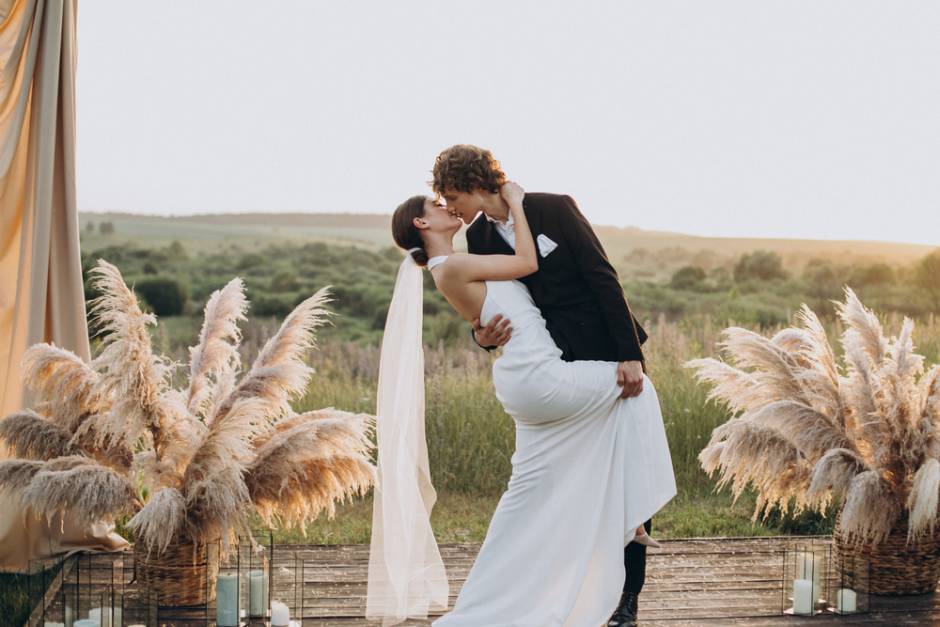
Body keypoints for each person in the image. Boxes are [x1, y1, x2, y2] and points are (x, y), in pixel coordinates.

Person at [370, 175, 675, 626]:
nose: (450, 207)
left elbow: (510, 305)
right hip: (542, 377)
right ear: (421, 221)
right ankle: (630, 515)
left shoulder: (469, 253)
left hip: (530, 378)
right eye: (441, 203)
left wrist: (479, 329)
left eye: (451, 197)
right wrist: (515, 203)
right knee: (637, 390)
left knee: (523, 497)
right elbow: (527, 264)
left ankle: (484, 605)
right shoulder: (457, 259)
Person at [435, 144, 658, 626]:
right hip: (556, 365)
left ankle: (627, 598)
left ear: (478, 182)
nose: (449, 205)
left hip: (605, 350)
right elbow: (495, 301)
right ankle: (571, 586)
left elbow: (603, 276)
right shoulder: (477, 237)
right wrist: (480, 337)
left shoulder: (554, 207)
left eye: (453, 194)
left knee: (626, 462)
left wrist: (629, 354)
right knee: (575, 482)